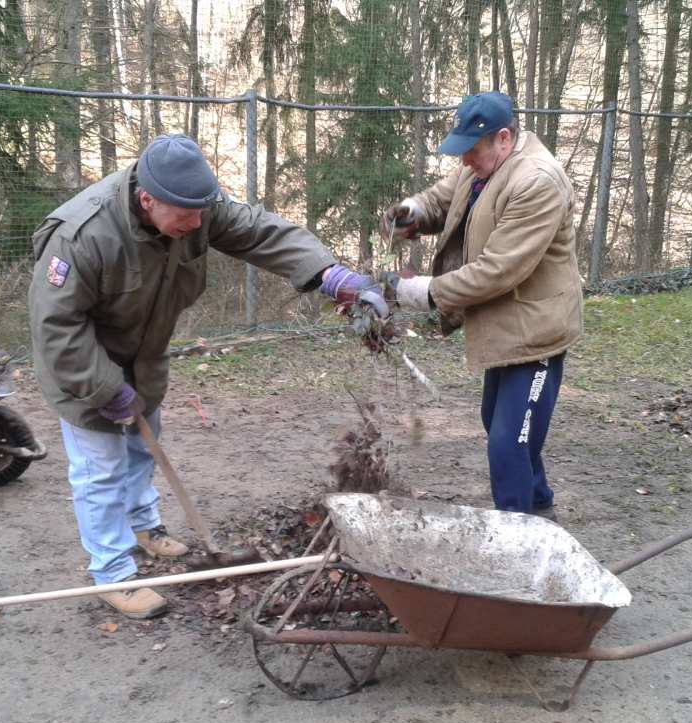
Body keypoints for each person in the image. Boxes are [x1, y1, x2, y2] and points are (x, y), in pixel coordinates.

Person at [29, 133, 385, 619]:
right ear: (147, 200)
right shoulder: (83, 235)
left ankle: (143, 526)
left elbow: (261, 232)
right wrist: (106, 388)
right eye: (187, 216)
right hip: (83, 366)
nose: (198, 225)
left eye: (203, 213)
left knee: (143, 447)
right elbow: (55, 327)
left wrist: (328, 274)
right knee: (101, 470)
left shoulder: (192, 205)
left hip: (144, 357)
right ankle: (112, 572)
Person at [380, 91, 582, 521]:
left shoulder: (536, 182)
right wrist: (412, 211)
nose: (465, 160)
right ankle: (540, 505)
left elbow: (497, 271)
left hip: (536, 333)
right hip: (506, 328)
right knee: (502, 424)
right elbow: (442, 198)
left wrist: (420, 291)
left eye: (471, 150)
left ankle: (517, 531)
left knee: (509, 441)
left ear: (503, 138)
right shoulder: (483, 167)